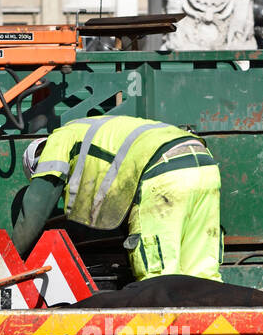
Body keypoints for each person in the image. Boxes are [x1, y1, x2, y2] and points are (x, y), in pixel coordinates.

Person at [15, 115, 222, 282]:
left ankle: (166, 332)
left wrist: (12, 259)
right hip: (205, 165)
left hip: (163, 173)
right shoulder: (96, 133)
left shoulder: (58, 141)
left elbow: (36, 208)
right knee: (203, 274)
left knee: (159, 278)